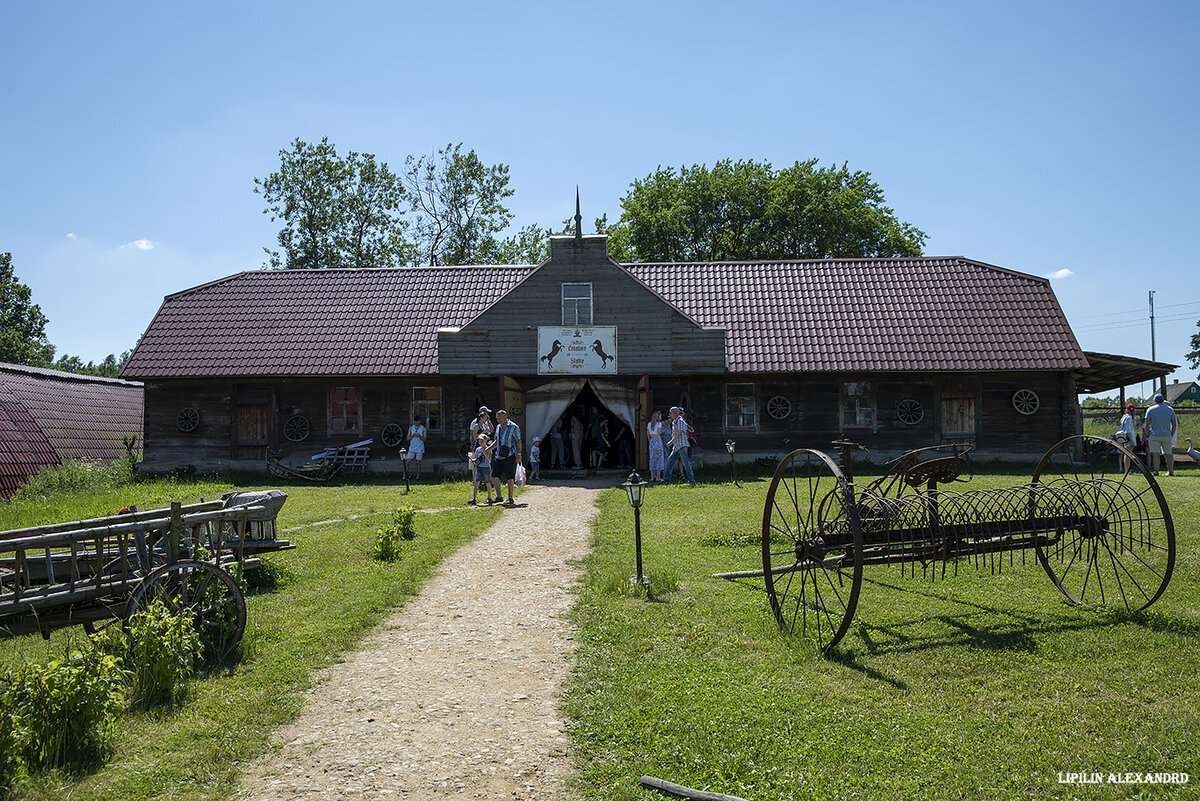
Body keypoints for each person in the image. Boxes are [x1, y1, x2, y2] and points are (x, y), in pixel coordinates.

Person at [1142, 393, 1178, 476]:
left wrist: (1147, 434)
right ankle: (1171, 471)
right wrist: (1171, 434)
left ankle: (1156, 471)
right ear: (1163, 400)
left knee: (1155, 454)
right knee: (1168, 453)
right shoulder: (1170, 409)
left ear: (1154, 401)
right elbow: (1174, 423)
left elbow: (1147, 423)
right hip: (1166, 434)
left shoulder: (1150, 409)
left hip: (1154, 434)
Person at [492, 409, 522, 505]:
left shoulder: (514, 427)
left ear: (506, 417)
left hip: (510, 454)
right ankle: (499, 496)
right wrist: (487, 449)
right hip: (498, 454)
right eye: (497, 418)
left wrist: (518, 454)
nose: (499, 420)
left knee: (509, 477)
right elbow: (496, 441)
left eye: (500, 418)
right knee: (494, 475)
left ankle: (510, 497)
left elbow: (518, 441)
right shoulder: (498, 427)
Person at [664, 406, 697, 485]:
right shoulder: (675, 421)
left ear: (675, 413)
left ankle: (692, 481)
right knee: (670, 462)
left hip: (682, 446)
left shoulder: (680, 421)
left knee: (686, 464)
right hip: (677, 447)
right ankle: (666, 480)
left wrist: (671, 442)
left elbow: (679, 433)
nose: (669, 414)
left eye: (670, 412)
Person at [468, 434, 497, 505]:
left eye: (482, 440)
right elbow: (477, 458)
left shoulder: (488, 449)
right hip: (479, 467)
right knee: (477, 482)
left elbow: (489, 459)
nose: (480, 441)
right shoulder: (478, 449)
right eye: (479, 440)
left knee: (487, 482)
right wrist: (473, 460)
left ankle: (489, 497)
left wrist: (485, 454)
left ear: (486, 440)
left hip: (486, 468)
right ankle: (474, 498)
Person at [1114, 402, 1139, 472]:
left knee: (1128, 454)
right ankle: (1127, 470)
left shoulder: (1125, 417)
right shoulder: (1128, 418)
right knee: (1128, 454)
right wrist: (1131, 441)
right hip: (1128, 437)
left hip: (1127, 436)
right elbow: (1128, 431)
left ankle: (1128, 469)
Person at [405, 414, 426, 479]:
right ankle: (405, 476)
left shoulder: (423, 428)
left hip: (420, 447)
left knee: (418, 462)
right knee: (408, 461)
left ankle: (418, 476)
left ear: (420, 421)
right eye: (415, 421)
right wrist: (413, 435)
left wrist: (419, 436)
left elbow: (425, 440)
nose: (416, 423)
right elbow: (408, 439)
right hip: (412, 447)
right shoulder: (411, 428)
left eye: (417, 421)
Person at [647, 410, 665, 481]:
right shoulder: (659, 424)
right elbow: (659, 432)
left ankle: (652, 477)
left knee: (652, 458)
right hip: (657, 439)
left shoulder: (649, 424)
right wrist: (663, 431)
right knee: (659, 458)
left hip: (652, 440)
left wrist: (650, 441)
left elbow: (648, 434)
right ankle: (658, 476)